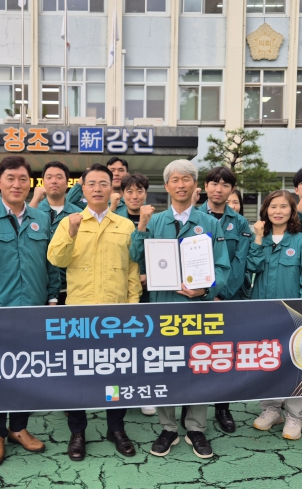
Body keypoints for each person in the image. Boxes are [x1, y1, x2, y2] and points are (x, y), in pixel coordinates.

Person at [0, 156, 60, 466]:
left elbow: (50, 263)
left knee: (26, 372)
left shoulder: (41, 218)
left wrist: (52, 299)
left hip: (32, 311)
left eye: (22, 179)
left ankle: (18, 427)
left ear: (30, 183)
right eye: (10, 178)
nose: (17, 184)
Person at [130, 159, 231, 460]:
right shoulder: (155, 221)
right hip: (163, 306)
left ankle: (196, 427)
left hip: (197, 307)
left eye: (186, 179)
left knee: (198, 365)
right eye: (174, 179)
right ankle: (168, 427)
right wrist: (141, 226)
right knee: (165, 365)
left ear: (195, 185)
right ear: (167, 186)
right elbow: (136, 256)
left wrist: (205, 290)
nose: (181, 184)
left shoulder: (209, 223)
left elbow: (223, 266)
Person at [47, 163, 141, 462]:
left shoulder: (124, 225)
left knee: (116, 374)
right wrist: (71, 233)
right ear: (83, 188)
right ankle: (78, 431)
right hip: (80, 313)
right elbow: (56, 259)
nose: (98, 189)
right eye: (92, 184)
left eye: (103, 183)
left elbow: (132, 270)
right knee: (79, 375)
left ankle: (116, 428)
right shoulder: (69, 221)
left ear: (112, 188)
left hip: (117, 314)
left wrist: (133, 307)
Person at [247, 190, 302, 440]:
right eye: (273, 206)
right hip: (262, 312)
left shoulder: (301, 240)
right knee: (268, 359)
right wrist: (257, 238)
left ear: (292, 211)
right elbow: (251, 267)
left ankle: (295, 415)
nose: (278, 211)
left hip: (292, 313)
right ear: (265, 210)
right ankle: (271, 409)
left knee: (295, 362)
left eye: (284, 206)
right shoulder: (259, 239)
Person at [195, 167, 253, 434]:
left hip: (228, 297)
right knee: (196, 354)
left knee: (224, 354)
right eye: (214, 183)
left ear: (232, 190)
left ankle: (222, 407)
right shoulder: (194, 217)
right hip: (196, 298)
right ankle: (192, 409)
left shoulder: (239, 223)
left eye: (225, 185)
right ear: (206, 186)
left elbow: (239, 263)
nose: (219, 189)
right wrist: (205, 292)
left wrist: (221, 293)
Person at [115, 172, 155, 415]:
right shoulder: (114, 219)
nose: (134, 196)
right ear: (122, 194)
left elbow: (162, 255)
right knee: (120, 345)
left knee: (146, 344)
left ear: (146, 194)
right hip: (121, 291)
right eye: (129, 191)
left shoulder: (155, 219)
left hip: (148, 292)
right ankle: (118, 392)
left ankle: (144, 392)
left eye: (139, 191)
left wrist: (150, 275)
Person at [29, 161, 83, 306]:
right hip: (38, 288)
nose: (54, 181)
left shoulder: (79, 214)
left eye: (59, 177)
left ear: (67, 182)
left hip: (72, 289)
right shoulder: (33, 211)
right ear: (43, 182)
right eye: (49, 177)